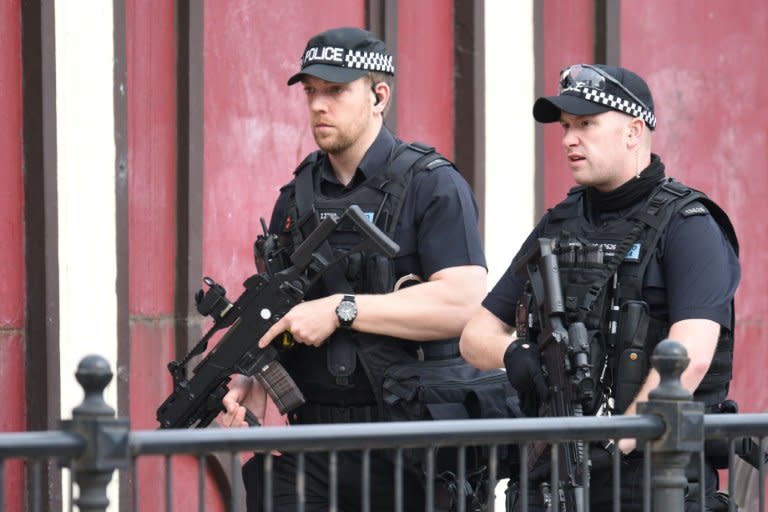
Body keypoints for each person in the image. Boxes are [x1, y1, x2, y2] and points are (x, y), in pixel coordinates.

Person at [217, 27, 487, 511]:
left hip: (410, 447)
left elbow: (463, 303)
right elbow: (283, 309)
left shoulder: (433, 186)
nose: (319, 105)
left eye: (337, 91)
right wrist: (253, 379)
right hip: (311, 442)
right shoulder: (294, 200)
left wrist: (342, 309)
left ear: (379, 95)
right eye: (311, 92)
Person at [460, 64, 739, 511]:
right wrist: (516, 355)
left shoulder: (689, 225)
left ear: (633, 131)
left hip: (653, 483)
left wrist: (613, 441)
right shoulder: (559, 223)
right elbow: (475, 336)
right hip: (550, 478)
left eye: (586, 124)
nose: (569, 138)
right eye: (566, 126)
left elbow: (690, 357)